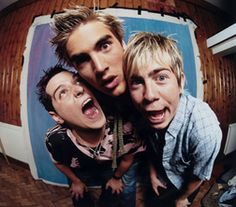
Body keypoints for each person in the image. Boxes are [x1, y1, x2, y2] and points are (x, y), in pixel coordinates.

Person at [50, 6, 145, 206]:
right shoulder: (86, 97)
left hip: (130, 158)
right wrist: (76, 180)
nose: (100, 67)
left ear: (123, 44)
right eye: (83, 59)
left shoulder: (152, 88)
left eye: (104, 46)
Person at [123, 32, 222, 207]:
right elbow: (149, 143)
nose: (149, 95)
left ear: (180, 82)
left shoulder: (205, 130)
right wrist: (153, 173)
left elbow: (198, 175)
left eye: (161, 78)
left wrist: (182, 198)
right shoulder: (143, 111)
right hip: (160, 174)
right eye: (137, 82)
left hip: (184, 185)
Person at [36, 65, 144, 207]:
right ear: (56, 117)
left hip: (109, 165)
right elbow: (59, 162)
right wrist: (75, 181)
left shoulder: (125, 130)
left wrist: (116, 178)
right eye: (62, 92)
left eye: (78, 81)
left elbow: (127, 159)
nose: (79, 89)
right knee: (79, 198)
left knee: (112, 195)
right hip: (81, 169)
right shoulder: (56, 140)